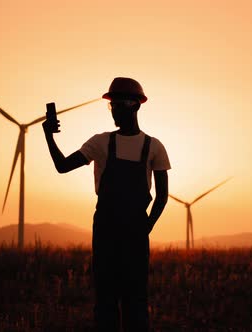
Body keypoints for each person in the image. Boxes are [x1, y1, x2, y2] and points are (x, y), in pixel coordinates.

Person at [42, 77, 171, 331]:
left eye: (120, 104)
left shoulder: (154, 147)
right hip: (106, 230)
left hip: (135, 231)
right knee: (105, 302)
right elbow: (62, 166)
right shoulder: (100, 142)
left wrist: (146, 226)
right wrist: (48, 136)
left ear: (136, 106)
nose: (115, 110)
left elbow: (163, 195)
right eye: (112, 105)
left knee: (135, 302)